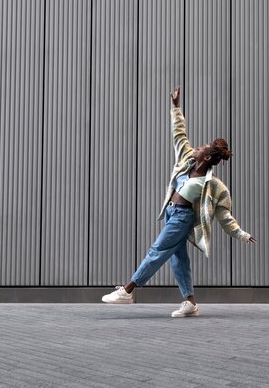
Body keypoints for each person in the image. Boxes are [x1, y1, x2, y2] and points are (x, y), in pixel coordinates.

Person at [102, 86, 256, 317]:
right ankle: (190, 303)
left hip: (183, 218)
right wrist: (176, 107)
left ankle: (128, 290)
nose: (196, 147)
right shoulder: (186, 161)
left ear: (206, 157)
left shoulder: (213, 186)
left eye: (201, 147)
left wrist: (240, 234)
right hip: (171, 214)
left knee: (157, 250)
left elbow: (224, 215)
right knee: (178, 260)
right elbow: (179, 133)